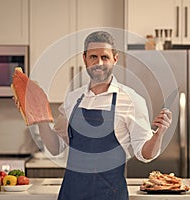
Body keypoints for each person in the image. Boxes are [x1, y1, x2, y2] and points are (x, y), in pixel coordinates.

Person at [21, 31, 172, 200]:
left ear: (115, 59)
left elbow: (144, 154)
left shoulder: (131, 100)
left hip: (110, 195)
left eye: (105, 57)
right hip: (72, 194)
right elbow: (56, 147)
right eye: (93, 57)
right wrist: (40, 117)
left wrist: (159, 133)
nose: (99, 63)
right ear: (84, 59)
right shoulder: (73, 99)